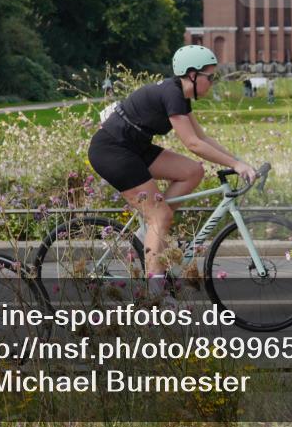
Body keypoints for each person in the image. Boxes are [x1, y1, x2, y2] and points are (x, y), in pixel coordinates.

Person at [88, 45, 256, 297]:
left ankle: (150, 234)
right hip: (113, 150)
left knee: (192, 171)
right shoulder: (172, 94)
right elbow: (192, 143)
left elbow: (203, 137)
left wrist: (238, 161)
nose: (212, 82)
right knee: (161, 216)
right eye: (210, 77)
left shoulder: (182, 96)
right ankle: (157, 294)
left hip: (134, 147)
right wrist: (235, 165)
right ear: (192, 75)